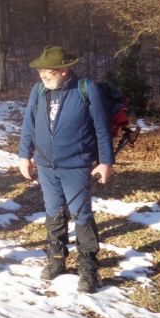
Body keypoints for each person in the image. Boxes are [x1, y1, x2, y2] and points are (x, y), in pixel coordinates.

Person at [18, 46, 114, 294]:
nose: (41, 75)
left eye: (46, 71)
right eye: (39, 71)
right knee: (53, 212)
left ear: (63, 70)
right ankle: (56, 260)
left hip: (76, 165)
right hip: (46, 165)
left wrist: (105, 162)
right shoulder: (39, 91)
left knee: (81, 215)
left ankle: (89, 269)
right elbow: (28, 125)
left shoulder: (85, 88)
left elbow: (102, 128)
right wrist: (23, 156)